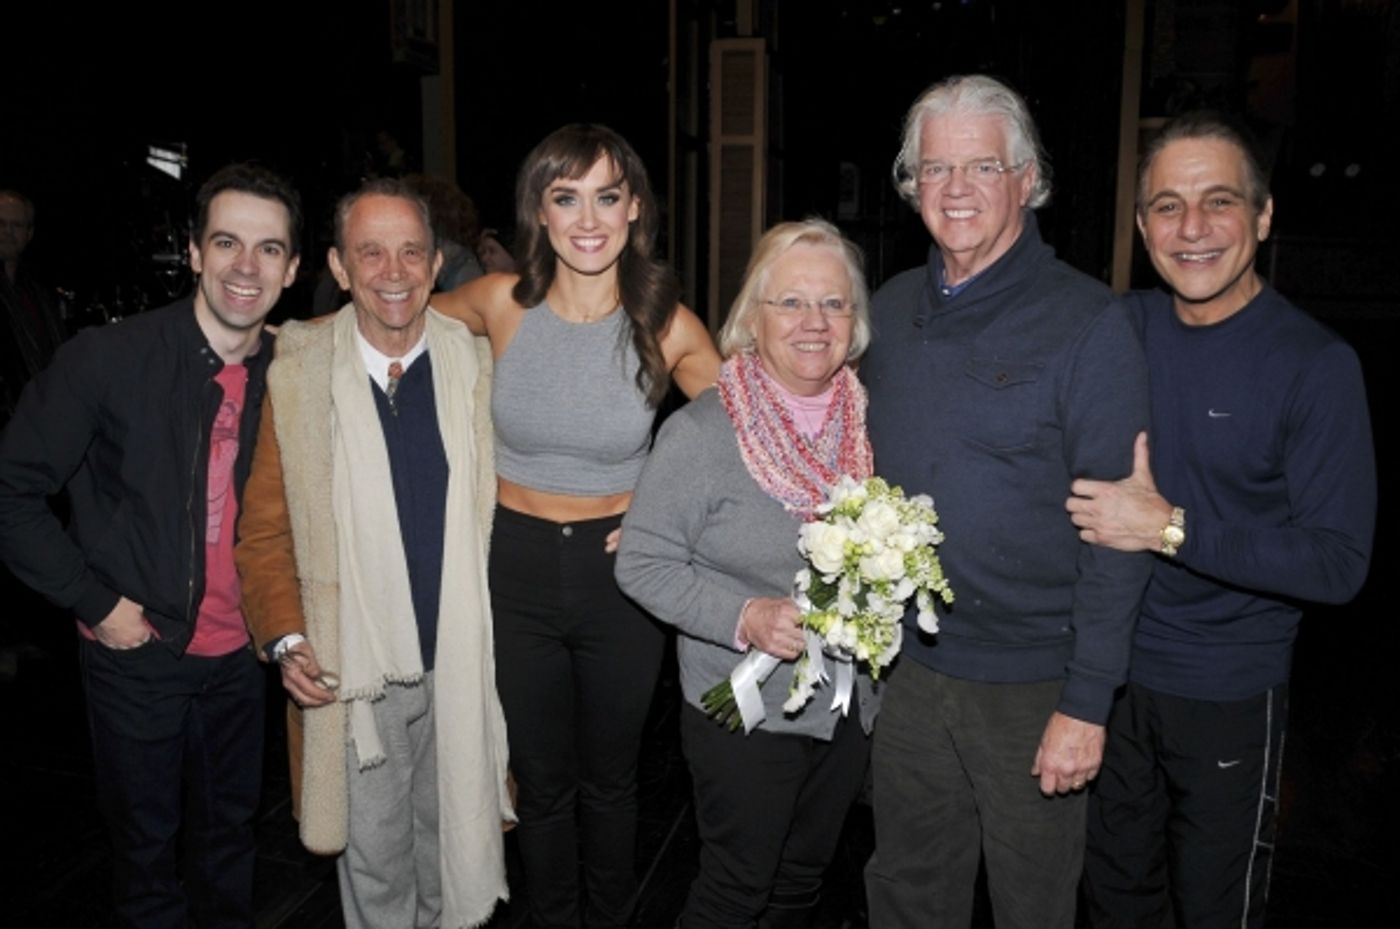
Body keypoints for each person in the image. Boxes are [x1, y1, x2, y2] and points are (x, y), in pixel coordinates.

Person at [1068, 112, 1376, 929]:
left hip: (1229, 688)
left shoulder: (1315, 364)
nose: (1192, 228)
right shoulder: (1120, 329)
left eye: (1219, 202)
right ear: (1141, 226)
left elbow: (1338, 563)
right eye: (1167, 206)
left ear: (1265, 215)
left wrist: (1171, 527)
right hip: (1111, 679)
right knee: (1114, 900)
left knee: (1217, 910)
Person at [858, 75, 1152, 929]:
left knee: (1032, 905)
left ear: (1027, 179)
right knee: (908, 890)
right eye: (934, 170)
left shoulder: (1087, 322)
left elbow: (1119, 536)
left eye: (981, 167)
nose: (955, 191)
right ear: (912, 186)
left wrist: (1086, 704)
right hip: (911, 672)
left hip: (1032, 686)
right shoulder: (891, 307)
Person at [432, 122, 720, 929]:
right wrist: (297, 342)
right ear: (540, 213)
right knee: (540, 777)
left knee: (612, 779)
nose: (587, 218)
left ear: (634, 210)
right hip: (513, 565)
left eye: (606, 196)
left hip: (617, 577)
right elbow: (392, 328)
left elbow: (749, 437)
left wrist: (671, 526)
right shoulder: (497, 303)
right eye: (566, 198)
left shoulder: (667, 325)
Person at [0, 163, 301, 929]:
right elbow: (12, 492)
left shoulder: (296, 371)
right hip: (138, 651)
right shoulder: (108, 358)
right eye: (227, 242)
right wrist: (99, 603)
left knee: (230, 842)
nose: (246, 265)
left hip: (243, 659)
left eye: (269, 249)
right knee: (144, 853)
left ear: (293, 269)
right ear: (195, 252)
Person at [235, 179, 512, 929]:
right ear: (340, 265)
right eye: (371, 253)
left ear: (436, 261)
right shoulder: (298, 373)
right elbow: (263, 531)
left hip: (460, 657)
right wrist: (287, 636)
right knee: (379, 866)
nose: (394, 270)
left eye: (411, 251)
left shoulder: (478, 364)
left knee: (451, 844)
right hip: (353, 670)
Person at [617, 220, 878, 929]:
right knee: (736, 890)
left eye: (834, 303)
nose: (814, 323)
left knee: (800, 882)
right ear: (750, 318)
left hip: (846, 706)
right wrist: (745, 614)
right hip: (745, 706)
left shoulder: (870, 421)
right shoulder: (704, 432)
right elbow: (641, 560)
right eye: (791, 302)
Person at [1, 188, 66, 421]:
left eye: (16, 225)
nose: (8, 232)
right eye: (1, 223)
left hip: (38, 418)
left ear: (29, 234)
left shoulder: (38, 289)